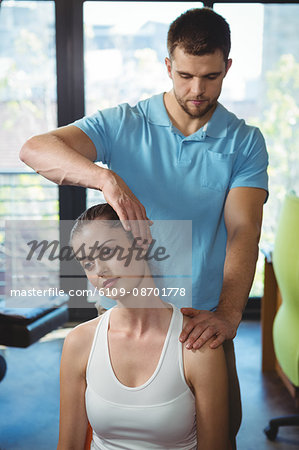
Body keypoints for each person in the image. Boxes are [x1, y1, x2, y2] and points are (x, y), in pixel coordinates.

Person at [20, 8, 269, 448]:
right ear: (168, 65)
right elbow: (36, 149)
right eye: (186, 75)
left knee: (219, 435)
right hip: (124, 318)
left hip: (199, 324)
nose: (197, 89)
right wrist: (105, 177)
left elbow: (243, 231)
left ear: (228, 67)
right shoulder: (124, 123)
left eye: (211, 76)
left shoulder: (243, 141)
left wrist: (230, 316)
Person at [57, 203, 229, 450]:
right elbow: (68, 446)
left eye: (107, 252)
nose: (100, 271)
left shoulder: (196, 345)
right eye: (88, 264)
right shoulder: (79, 342)